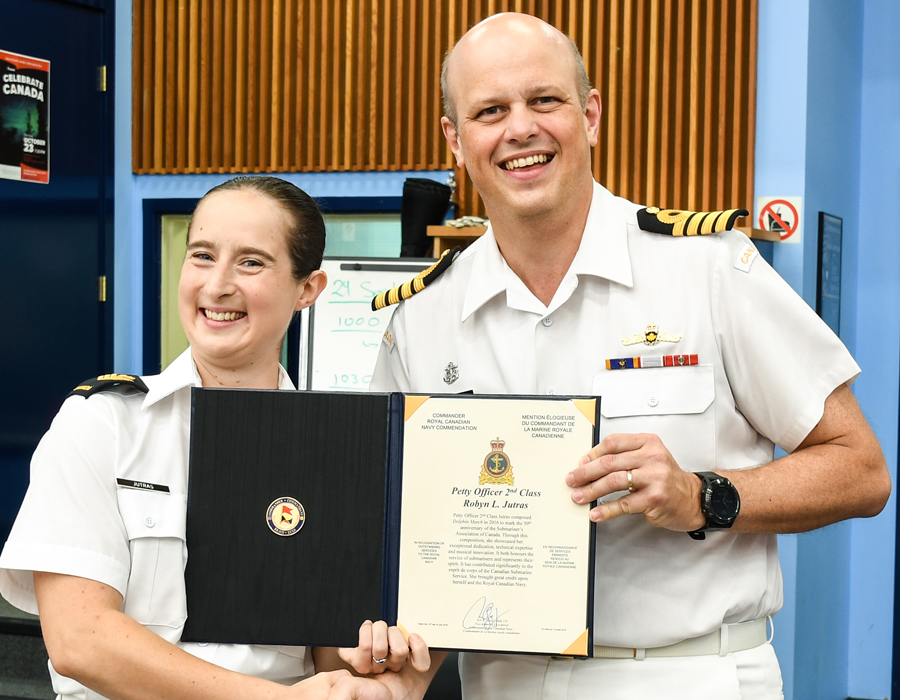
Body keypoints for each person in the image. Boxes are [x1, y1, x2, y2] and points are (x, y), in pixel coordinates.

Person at [369, 13, 891, 700]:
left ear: (589, 116)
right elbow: (398, 528)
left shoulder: (708, 270)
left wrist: (702, 495)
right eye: (490, 111)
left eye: (544, 101)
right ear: (457, 141)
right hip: (502, 681)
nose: (520, 129)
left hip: (686, 673)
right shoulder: (422, 318)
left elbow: (862, 469)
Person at [0, 176, 433, 700]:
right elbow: (79, 639)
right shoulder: (102, 424)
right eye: (202, 255)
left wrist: (375, 664)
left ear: (307, 289)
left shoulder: (337, 450)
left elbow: (330, 655)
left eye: (251, 262)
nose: (217, 284)